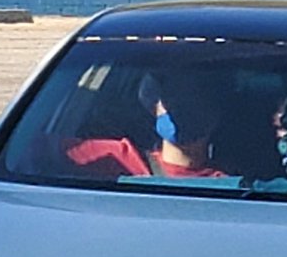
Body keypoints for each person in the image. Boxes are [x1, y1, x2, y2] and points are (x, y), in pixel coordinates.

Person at [65, 73, 228, 179]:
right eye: (172, 100)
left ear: (217, 112)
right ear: (153, 106)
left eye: (193, 103)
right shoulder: (115, 157)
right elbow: (41, 150)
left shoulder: (236, 186)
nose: (178, 111)